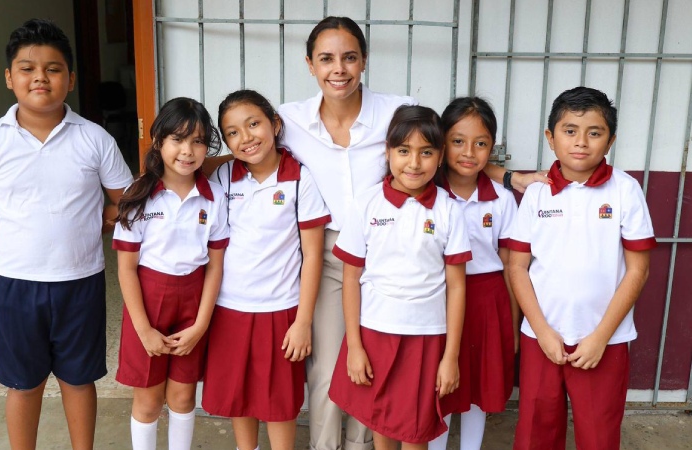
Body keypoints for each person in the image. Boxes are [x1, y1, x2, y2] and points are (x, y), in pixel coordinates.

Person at [275, 16, 546, 450]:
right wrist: (178, 165)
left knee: (382, 373)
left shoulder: (395, 110)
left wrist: (506, 176)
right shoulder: (290, 119)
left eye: (349, 57)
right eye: (326, 59)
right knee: (329, 368)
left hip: (401, 249)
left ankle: (364, 445)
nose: (338, 69)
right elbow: (247, 147)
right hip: (329, 251)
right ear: (310, 64)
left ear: (364, 60)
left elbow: (450, 147)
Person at [0, 18, 134, 450]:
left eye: (53, 69)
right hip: (15, 283)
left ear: (70, 79)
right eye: (27, 68)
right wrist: (10, 234)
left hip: (80, 281)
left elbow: (127, 202)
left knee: (79, 378)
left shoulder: (94, 139)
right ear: (9, 77)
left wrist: (94, 220)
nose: (40, 78)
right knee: (23, 383)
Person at [508, 86, 656, 450]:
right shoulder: (536, 193)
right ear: (550, 138)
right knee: (536, 433)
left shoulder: (625, 190)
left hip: (603, 340)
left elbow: (638, 271)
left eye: (594, 132)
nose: (581, 142)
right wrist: (542, 331)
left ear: (610, 141)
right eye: (570, 130)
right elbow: (517, 267)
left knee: (599, 434)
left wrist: (600, 337)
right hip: (542, 338)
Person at [327, 105, 470, 449]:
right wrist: (355, 346)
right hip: (375, 333)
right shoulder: (367, 203)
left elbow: (456, 286)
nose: (414, 163)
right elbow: (351, 278)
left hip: (426, 337)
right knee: (382, 421)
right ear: (388, 152)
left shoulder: (449, 210)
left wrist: (450, 357)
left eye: (426, 152)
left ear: (440, 157)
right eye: (404, 151)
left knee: (415, 430)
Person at [202, 90, 331, 450]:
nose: (246, 137)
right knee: (239, 396)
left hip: (281, 310)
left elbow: (313, 256)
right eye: (233, 132)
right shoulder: (224, 176)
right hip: (230, 309)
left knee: (279, 402)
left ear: (275, 124)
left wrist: (303, 322)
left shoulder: (300, 179)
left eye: (253, 124)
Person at [112, 97, 227, 450]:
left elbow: (215, 265)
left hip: (193, 302)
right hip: (147, 303)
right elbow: (127, 269)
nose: (187, 151)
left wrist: (201, 325)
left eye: (197, 141)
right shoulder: (139, 193)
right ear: (159, 141)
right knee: (148, 400)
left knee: (182, 397)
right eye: (177, 139)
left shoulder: (214, 197)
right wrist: (144, 329)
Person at [429, 98, 519, 450]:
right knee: (439, 383)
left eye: (481, 143)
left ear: (492, 147)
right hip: (436, 297)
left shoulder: (501, 199)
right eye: (457, 141)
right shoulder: (427, 191)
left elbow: (511, 265)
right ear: (442, 142)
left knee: (481, 384)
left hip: (486, 301)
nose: (469, 152)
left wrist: (511, 322)